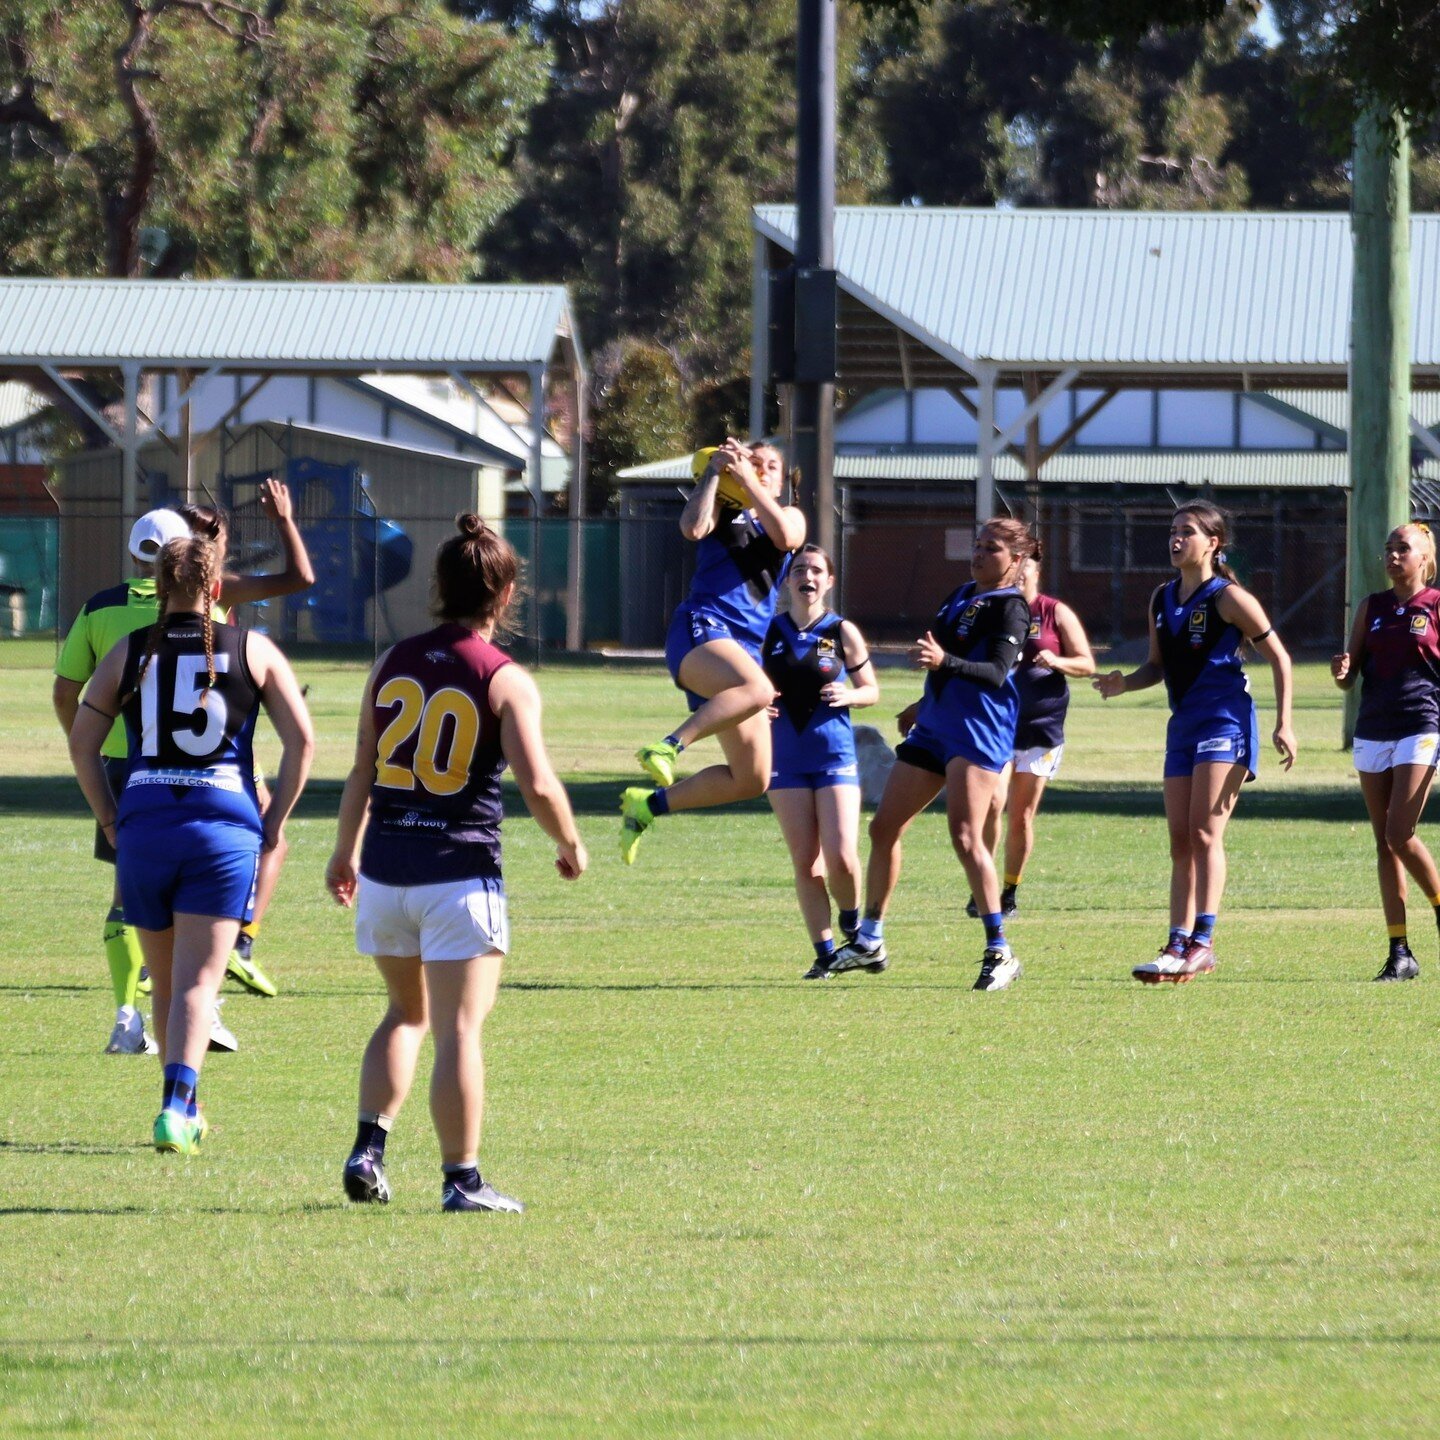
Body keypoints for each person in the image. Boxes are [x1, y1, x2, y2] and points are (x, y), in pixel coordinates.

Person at [326, 515, 587, 1213]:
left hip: (384, 871)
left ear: (438, 587)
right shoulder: (504, 677)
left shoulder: (390, 662)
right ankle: (461, 1179)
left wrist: (344, 852)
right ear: (505, 596)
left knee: (403, 1014)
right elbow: (536, 782)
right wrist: (569, 842)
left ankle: (368, 1148)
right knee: (459, 1031)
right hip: (457, 875)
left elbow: (362, 770)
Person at [67, 535, 314, 1154]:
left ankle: (187, 1109)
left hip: (146, 825)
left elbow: (81, 741)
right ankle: (176, 1108)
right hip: (223, 827)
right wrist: (275, 821)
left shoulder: (131, 650)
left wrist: (109, 819)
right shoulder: (253, 648)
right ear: (216, 585)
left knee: (168, 984)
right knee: (200, 983)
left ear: (160, 582)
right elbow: (303, 743)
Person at [831, 518, 1036, 992]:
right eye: (979, 544)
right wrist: (922, 703)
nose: (980, 553)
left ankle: (999, 949)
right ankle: (870, 939)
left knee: (966, 838)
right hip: (937, 727)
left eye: (994, 548)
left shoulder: (1013, 609)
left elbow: (997, 673)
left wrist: (944, 662)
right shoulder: (962, 594)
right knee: (883, 827)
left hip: (977, 733)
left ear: (1017, 559)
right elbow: (949, 660)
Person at [1094, 501, 1296, 983]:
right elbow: (1157, 666)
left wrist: (1285, 722)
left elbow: (1281, 658)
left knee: (1206, 833)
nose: (1176, 538)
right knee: (1180, 842)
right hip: (1182, 726)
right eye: (1172, 530)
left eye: (1187, 531)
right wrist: (1126, 683)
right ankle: (1176, 944)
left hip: (1225, 723)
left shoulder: (1228, 598)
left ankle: (1203, 942)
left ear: (1213, 543)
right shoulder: (1160, 598)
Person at [620, 438, 806, 863]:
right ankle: (667, 747)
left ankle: (646, 806)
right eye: (753, 462)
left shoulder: (788, 514)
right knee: (759, 689)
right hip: (703, 627)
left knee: (751, 779)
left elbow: (787, 536)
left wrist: (747, 479)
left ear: (780, 482)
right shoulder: (725, 511)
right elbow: (692, 528)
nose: (760, 469)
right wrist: (714, 474)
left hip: (744, 650)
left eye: (770, 466)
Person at [177, 480, 317, 997]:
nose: (215, 550)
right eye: (208, 540)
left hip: (184, 737)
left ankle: (217, 942)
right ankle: (235, 941)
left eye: (219, 540)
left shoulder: (208, 590)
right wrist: (282, 518)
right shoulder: (214, 592)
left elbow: (300, 577)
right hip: (209, 739)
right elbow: (300, 578)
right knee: (264, 830)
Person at [761, 544, 880, 979]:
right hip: (784, 759)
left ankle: (850, 917)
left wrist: (850, 694)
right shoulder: (766, 631)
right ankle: (825, 953)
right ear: (788, 581)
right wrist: (756, 707)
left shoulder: (841, 630)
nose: (806, 576)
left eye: (816, 570)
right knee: (806, 861)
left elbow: (871, 689)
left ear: (828, 581)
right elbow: (743, 690)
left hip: (834, 756)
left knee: (842, 855)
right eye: (798, 570)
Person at [1332, 522, 1440, 981]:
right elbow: (1348, 676)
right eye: (1388, 548)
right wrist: (1341, 669)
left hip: (1421, 724)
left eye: (1403, 549)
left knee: (1400, 831)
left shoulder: (1436, 605)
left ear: (1425, 559)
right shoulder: (1371, 607)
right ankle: (1400, 951)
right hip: (1373, 728)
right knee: (1384, 842)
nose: (1393, 556)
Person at [967, 545, 1095, 918]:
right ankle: (983, 885)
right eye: (1016, 568)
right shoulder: (994, 609)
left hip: (1041, 730)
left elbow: (1086, 663)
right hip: (997, 726)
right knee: (992, 804)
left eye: (1027, 569)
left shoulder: (1054, 612)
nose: (1020, 574)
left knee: (1021, 816)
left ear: (1037, 572)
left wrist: (1058, 661)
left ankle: (1009, 890)